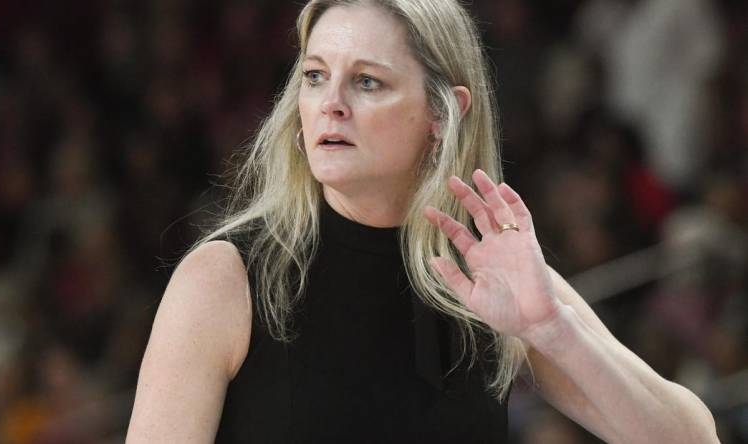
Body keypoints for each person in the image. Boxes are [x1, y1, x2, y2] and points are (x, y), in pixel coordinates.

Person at [126, 0, 720, 442]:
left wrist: (554, 333)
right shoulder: (225, 279)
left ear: (443, 112)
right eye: (314, 75)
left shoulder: (485, 275)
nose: (330, 102)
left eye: (366, 81)